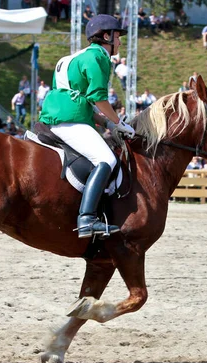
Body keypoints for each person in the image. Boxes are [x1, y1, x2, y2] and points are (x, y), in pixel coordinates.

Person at [38, 14, 135, 239]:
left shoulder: (69, 59)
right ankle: (87, 219)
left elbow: (81, 102)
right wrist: (120, 122)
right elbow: (99, 99)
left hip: (54, 116)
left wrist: (109, 124)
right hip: (70, 121)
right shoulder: (98, 57)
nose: (120, 42)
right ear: (105, 37)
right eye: (117, 37)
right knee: (107, 160)